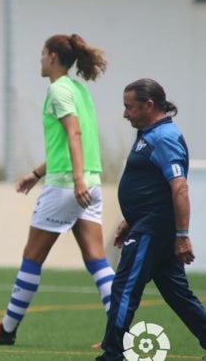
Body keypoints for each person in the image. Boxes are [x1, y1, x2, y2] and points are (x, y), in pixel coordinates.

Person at [0, 33, 115, 345]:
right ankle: (119, 331)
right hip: (90, 182)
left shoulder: (59, 90)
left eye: (41, 53)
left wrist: (75, 179)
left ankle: (5, 330)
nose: (39, 59)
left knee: (32, 257)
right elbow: (69, 142)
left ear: (52, 57)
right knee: (96, 259)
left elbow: (73, 133)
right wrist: (36, 172)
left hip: (68, 185)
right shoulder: (78, 89)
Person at [96, 79, 206, 360]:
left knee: (125, 288)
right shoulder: (149, 132)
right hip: (146, 224)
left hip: (154, 229)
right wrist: (130, 219)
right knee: (178, 296)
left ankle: (112, 354)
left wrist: (182, 234)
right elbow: (151, 185)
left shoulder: (164, 137)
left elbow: (179, 187)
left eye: (129, 107)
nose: (124, 114)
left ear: (149, 105)